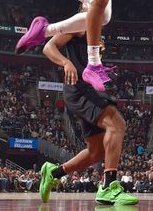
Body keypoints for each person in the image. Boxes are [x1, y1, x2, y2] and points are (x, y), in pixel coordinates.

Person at [36, 14, 138, 206]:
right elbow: (48, 47)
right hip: (78, 89)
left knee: (96, 151)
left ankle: (53, 172)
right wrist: (66, 63)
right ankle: (109, 186)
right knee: (117, 122)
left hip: (86, 90)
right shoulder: (79, 26)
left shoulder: (94, 33)